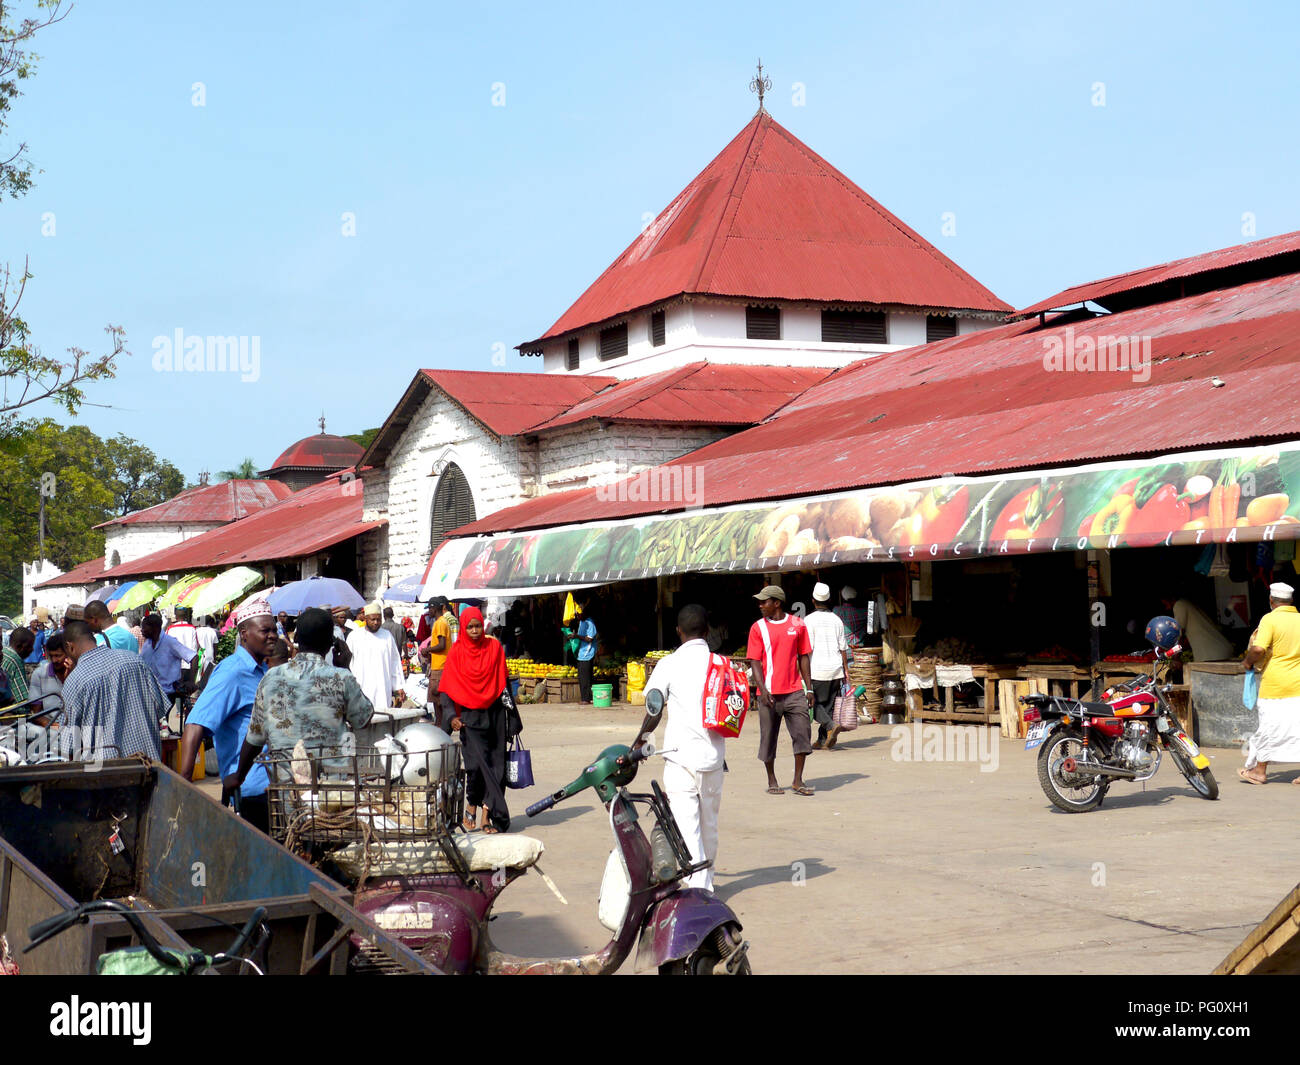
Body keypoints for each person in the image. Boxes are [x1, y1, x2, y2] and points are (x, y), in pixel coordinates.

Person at [643, 604, 729, 891]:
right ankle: (706, 882)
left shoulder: (668, 664)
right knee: (710, 827)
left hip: (679, 759)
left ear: (678, 631)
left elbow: (653, 709)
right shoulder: (721, 663)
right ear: (707, 631)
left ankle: (699, 890)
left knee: (687, 825)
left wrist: (639, 741)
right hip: (714, 757)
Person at [235, 608, 374, 787]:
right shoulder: (341, 677)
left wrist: (238, 776)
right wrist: (345, 667)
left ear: (297, 640)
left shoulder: (271, 677)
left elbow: (254, 738)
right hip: (334, 790)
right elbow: (363, 719)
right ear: (331, 643)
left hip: (288, 789)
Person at [179, 600, 277, 831]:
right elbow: (195, 724)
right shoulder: (232, 671)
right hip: (251, 788)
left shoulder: (264, 670)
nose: (273, 635)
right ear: (244, 634)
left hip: (275, 785)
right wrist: (183, 784)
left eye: (274, 630)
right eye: (265, 631)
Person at [441, 606, 514, 834]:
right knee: (474, 768)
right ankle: (471, 805)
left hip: (495, 716)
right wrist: (452, 716)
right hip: (470, 718)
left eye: (477, 626)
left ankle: (487, 816)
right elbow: (446, 690)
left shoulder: (493, 648)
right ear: (463, 628)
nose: (474, 631)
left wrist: (512, 719)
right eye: (470, 627)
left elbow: (504, 682)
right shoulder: (456, 652)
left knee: (496, 768)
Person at [60, 620, 167, 760]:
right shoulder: (135, 660)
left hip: (106, 771)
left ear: (70, 647)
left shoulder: (74, 680)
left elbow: (68, 743)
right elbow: (160, 708)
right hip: (147, 762)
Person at [747, 585, 814, 796]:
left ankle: (797, 780)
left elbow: (804, 657)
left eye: (764, 601)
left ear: (776, 603)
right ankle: (772, 779)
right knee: (768, 738)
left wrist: (809, 688)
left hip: (794, 691)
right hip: (769, 693)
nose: (760, 605)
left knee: (803, 733)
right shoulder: (757, 628)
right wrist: (762, 688)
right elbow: (755, 661)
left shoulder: (798, 625)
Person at [1239, 583, 1300, 785]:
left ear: (1271, 601)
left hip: (1276, 685)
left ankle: (1259, 771)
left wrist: (1247, 662)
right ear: (1291, 601)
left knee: (1268, 727)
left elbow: (1258, 649)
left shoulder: (1270, 619)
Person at [806, 582, 851, 750]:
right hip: (836, 668)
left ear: (813, 600)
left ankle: (831, 726)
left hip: (817, 669)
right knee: (828, 706)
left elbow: (807, 648)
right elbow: (843, 647)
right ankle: (822, 739)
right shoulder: (836, 620)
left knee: (811, 704)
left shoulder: (808, 620)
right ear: (829, 600)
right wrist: (846, 669)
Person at [346, 601, 404, 713]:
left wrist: (398, 687)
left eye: (379, 619)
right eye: (373, 619)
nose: (376, 622)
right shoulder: (354, 636)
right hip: (361, 688)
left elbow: (394, 662)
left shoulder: (387, 636)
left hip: (383, 687)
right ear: (365, 618)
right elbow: (347, 663)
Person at [139, 614, 198, 702]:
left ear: (154, 628)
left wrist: (191, 681)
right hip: (151, 693)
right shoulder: (147, 644)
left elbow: (193, 657)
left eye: (144, 628)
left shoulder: (169, 642)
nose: (142, 630)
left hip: (168, 693)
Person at [1162, 594, 1233, 662]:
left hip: (1211, 654)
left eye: (1165, 604)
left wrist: (1175, 657)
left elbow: (1178, 634)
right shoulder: (1187, 604)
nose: (1166, 608)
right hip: (1219, 650)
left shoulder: (1179, 605)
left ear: (1170, 599)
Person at [28, 631, 70, 715]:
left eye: (58, 656)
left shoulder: (77, 673)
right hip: (51, 725)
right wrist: (55, 726)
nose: (54, 660)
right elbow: (36, 712)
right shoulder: (39, 674)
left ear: (68, 653)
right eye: (51, 656)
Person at [420, 597, 453, 699]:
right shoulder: (442, 622)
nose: (428, 611)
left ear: (433, 609)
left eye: (429, 608)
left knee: (437, 701)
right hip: (440, 665)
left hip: (439, 667)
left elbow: (441, 645)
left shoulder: (440, 623)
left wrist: (427, 649)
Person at [573, 602, 598, 704]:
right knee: (582, 677)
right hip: (581, 654)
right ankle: (585, 698)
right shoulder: (581, 622)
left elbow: (589, 639)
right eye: (576, 614)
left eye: (579, 614)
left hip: (587, 654)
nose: (577, 616)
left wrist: (577, 636)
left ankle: (586, 699)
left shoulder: (590, 623)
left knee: (586, 678)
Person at [3, 628, 32, 705]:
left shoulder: (4, 652)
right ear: (19, 646)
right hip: (12, 713)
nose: (32, 650)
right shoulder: (15, 660)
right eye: (29, 646)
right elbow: (22, 699)